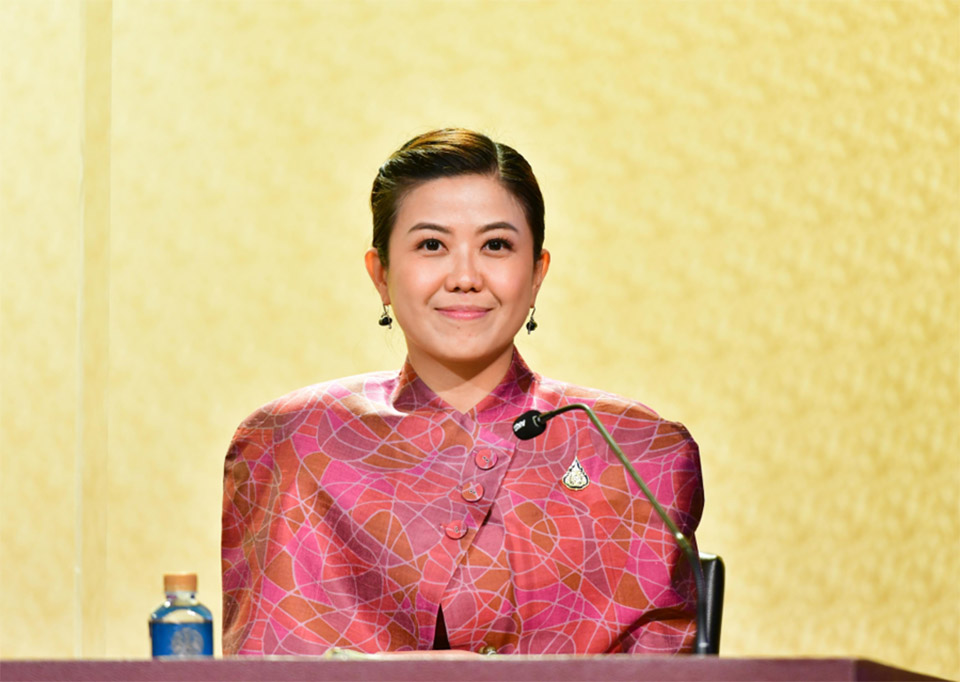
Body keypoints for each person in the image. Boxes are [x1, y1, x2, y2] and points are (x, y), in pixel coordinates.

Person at [221, 129, 704, 656]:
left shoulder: (636, 450)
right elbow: (265, 667)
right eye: (432, 245)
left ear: (537, 273)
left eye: (496, 245)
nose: (466, 277)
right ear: (381, 274)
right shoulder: (291, 443)